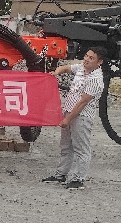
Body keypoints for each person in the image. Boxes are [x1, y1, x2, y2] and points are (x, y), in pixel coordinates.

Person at [42, 46, 107, 190]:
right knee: (66, 146)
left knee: (81, 148)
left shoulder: (95, 79)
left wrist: (68, 119)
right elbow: (66, 68)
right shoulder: (81, 68)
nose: (87, 59)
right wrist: (56, 72)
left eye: (91, 58)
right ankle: (61, 174)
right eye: (86, 56)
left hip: (81, 117)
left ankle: (78, 179)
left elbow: (82, 103)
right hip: (69, 111)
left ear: (99, 62)